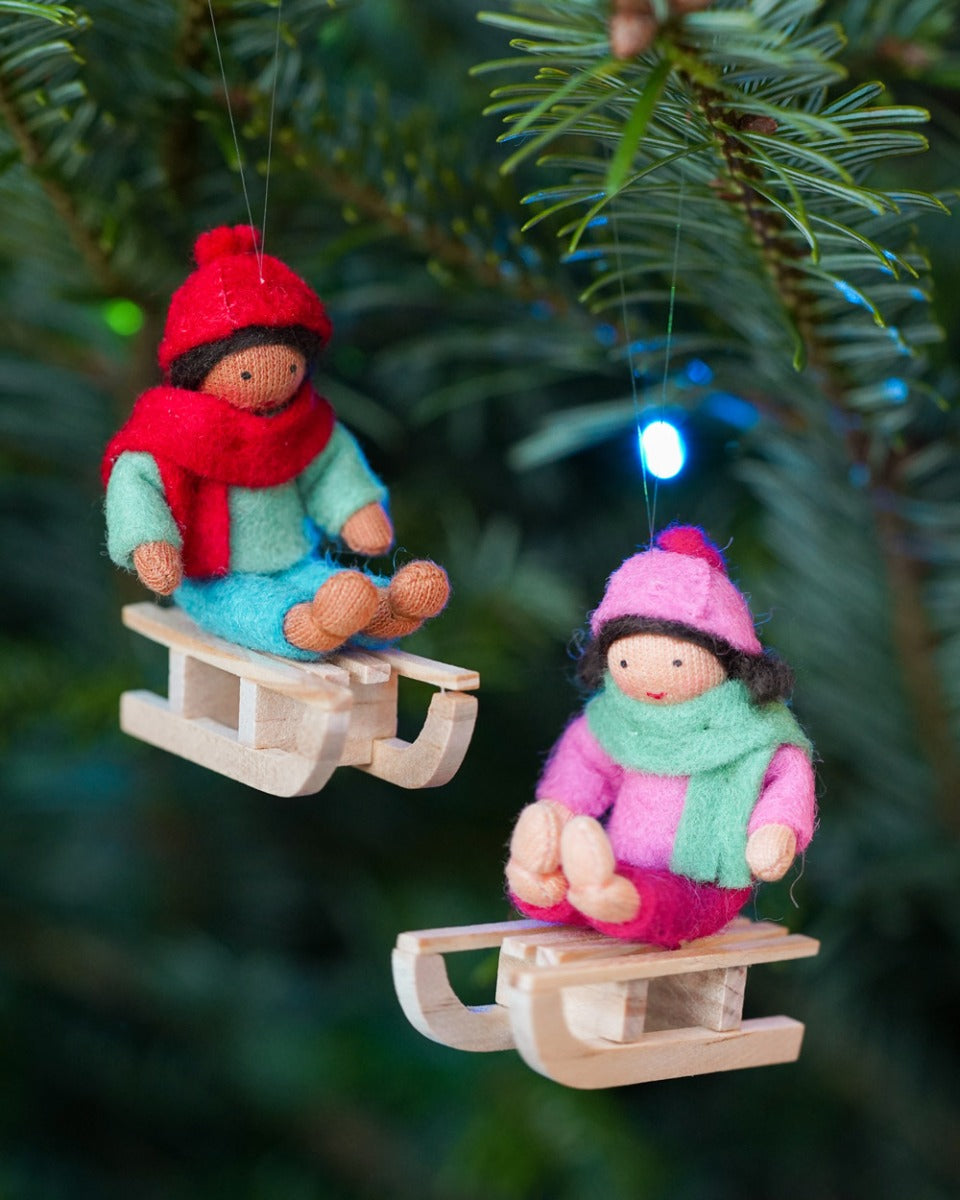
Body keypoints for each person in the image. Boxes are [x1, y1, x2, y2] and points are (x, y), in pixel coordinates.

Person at [103, 225, 448, 659]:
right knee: (247, 607)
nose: (269, 382)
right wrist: (150, 541)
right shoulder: (172, 430)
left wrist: (355, 509)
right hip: (216, 576)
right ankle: (307, 627)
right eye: (245, 372)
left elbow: (329, 466)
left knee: (328, 584)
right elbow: (136, 482)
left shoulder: (304, 423)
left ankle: (388, 606)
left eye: (289, 367)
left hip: (294, 559)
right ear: (199, 368)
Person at [505, 525, 816, 948]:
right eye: (627, 661)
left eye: (676, 661)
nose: (650, 680)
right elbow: (586, 763)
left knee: (669, 905)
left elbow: (786, 777)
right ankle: (541, 880)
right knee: (574, 888)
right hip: (619, 858)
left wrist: (775, 829)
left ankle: (616, 898)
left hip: (703, 881)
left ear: (726, 656)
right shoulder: (615, 718)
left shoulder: (754, 729)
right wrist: (560, 810)